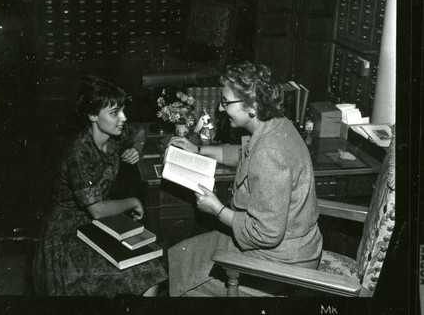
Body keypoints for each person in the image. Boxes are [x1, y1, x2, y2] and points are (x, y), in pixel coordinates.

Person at [167, 62, 322, 297]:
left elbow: (267, 234)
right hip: (287, 246)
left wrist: (217, 209)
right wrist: (198, 150)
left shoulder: (269, 152)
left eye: (226, 103)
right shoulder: (276, 125)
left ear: (252, 106)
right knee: (178, 254)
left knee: (185, 280)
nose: (220, 109)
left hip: (282, 262)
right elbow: (244, 155)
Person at [33, 75, 167, 297]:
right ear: (93, 115)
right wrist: (132, 201)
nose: (123, 118)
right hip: (68, 234)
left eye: (122, 110)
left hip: (99, 225)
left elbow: (139, 132)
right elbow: (97, 210)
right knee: (142, 274)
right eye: (115, 113)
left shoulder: (114, 133)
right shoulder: (79, 153)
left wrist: (137, 147)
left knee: (152, 272)